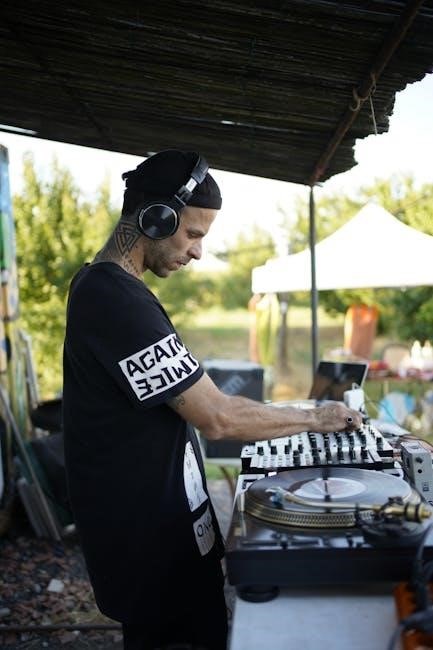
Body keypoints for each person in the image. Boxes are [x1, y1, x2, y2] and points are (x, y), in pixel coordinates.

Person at [62, 149, 362, 650]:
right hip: (149, 544)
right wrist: (318, 417)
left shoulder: (115, 291)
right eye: (193, 234)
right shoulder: (112, 299)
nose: (198, 252)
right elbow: (218, 417)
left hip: (163, 533)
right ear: (155, 218)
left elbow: (195, 398)